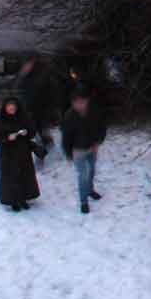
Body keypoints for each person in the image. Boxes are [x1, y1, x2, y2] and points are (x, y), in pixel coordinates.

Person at [61, 85, 108, 214]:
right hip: (78, 150)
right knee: (83, 175)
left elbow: (102, 127)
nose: (79, 104)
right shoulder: (69, 116)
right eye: (76, 102)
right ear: (73, 103)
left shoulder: (94, 111)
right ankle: (83, 202)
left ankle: (90, 190)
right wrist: (68, 153)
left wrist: (98, 142)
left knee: (92, 170)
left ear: (87, 101)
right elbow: (66, 137)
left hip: (92, 147)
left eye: (82, 101)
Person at [0, 97, 40, 212]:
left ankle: (23, 199)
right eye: (9, 106)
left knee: (24, 176)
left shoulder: (24, 117)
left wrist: (27, 132)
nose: (12, 108)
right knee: (11, 178)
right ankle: (13, 201)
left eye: (13, 106)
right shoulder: (0, 120)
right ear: (5, 107)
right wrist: (7, 137)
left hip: (23, 152)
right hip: (8, 154)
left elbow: (32, 131)